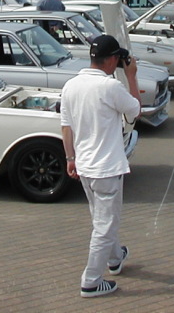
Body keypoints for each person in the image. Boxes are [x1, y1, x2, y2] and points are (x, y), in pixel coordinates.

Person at [60, 35, 141, 298]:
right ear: (113, 59)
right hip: (107, 168)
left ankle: (115, 258)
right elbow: (135, 111)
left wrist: (70, 158)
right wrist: (132, 76)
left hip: (84, 165)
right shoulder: (110, 86)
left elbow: (66, 126)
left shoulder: (71, 85)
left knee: (102, 219)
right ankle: (91, 281)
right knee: (104, 226)